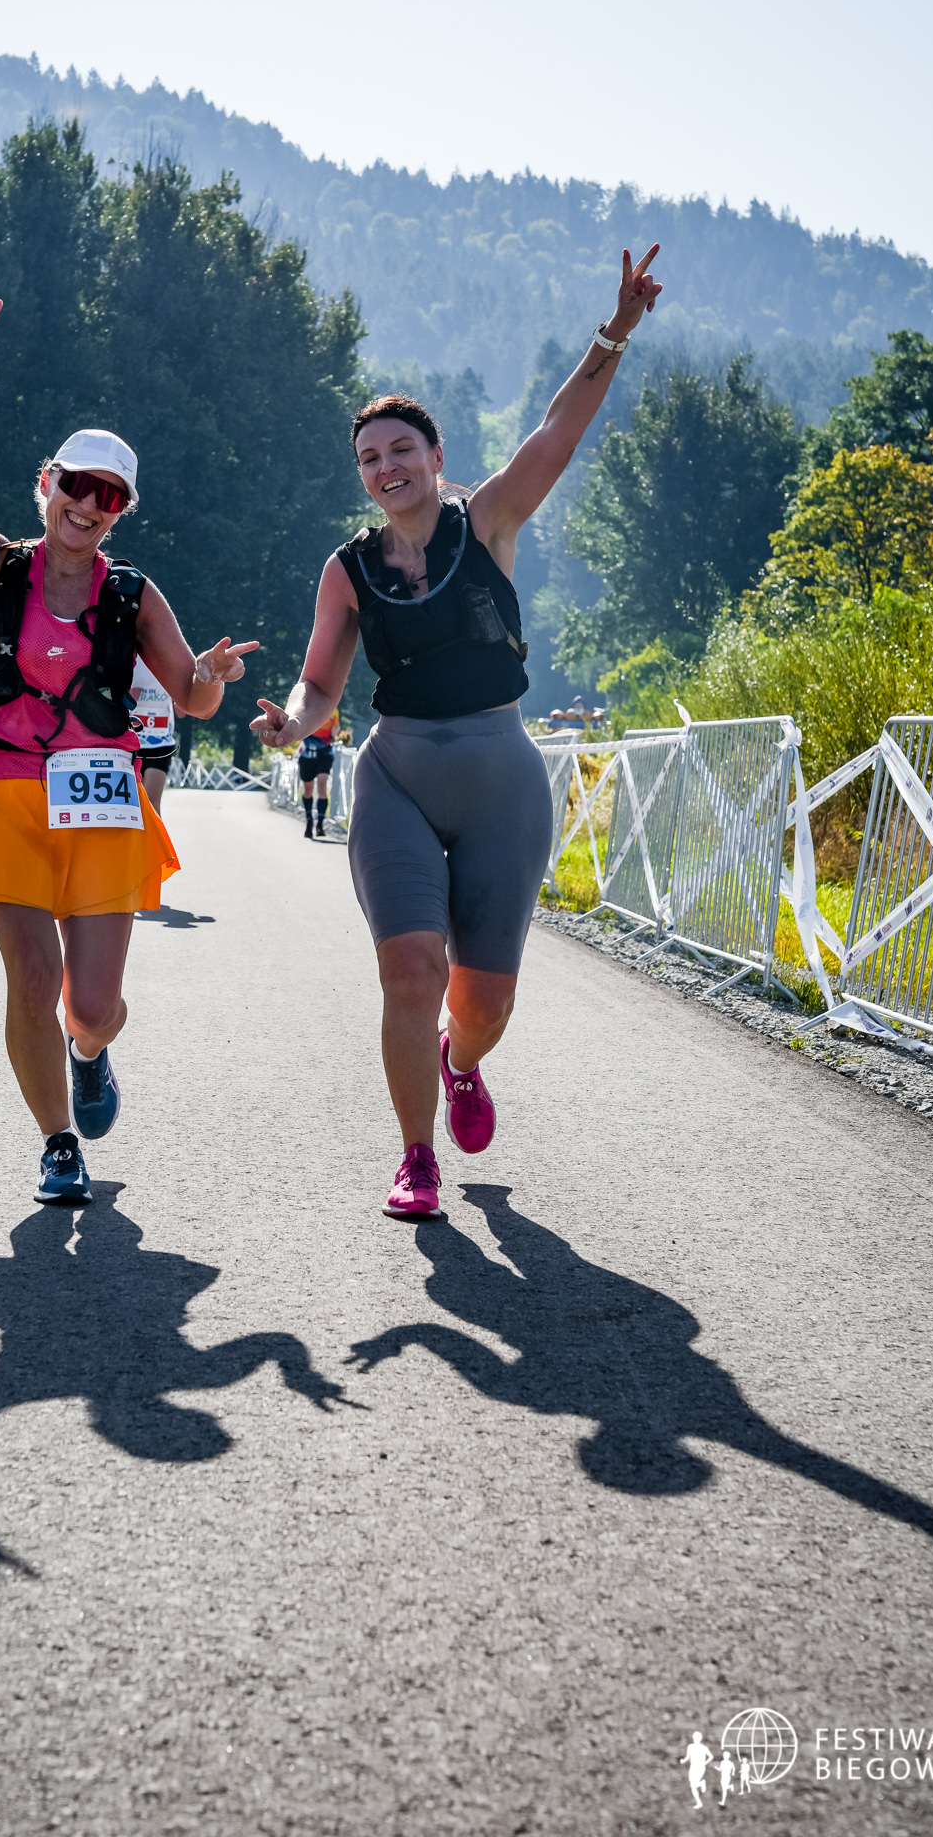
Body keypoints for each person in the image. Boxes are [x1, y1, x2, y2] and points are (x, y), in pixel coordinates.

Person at [252, 248, 662, 1218]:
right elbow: (321, 682)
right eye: (369, 458)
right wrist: (292, 720)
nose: (385, 468)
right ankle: (415, 1157)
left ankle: (460, 1061)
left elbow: (559, 429)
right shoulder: (348, 569)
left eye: (401, 450)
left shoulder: (490, 522)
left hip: (499, 782)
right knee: (408, 968)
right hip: (397, 774)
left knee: (483, 1004)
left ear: (435, 458)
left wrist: (614, 331)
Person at [0, 286, 256, 1206]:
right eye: (75, 485)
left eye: (107, 496)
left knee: (92, 1007)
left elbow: (190, 696)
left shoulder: (133, 595)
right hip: (7, 793)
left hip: (103, 802)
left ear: (119, 510)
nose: (86, 504)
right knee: (32, 978)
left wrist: (213, 675)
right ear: (48, 484)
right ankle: (58, 1141)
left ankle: (89, 1053)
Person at [128, 655, 179, 815]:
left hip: (160, 743)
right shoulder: (126, 655)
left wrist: (180, 695)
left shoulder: (170, 658)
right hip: (130, 742)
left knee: (152, 802)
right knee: (131, 803)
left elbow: (182, 712)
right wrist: (127, 694)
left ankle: (155, 833)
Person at [297, 707, 340, 837]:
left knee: (322, 785)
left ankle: (320, 824)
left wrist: (334, 727)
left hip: (324, 753)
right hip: (307, 754)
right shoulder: (306, 707)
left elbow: (335, 732)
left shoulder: (333, 710)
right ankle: (309, 821)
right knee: (308, 789)